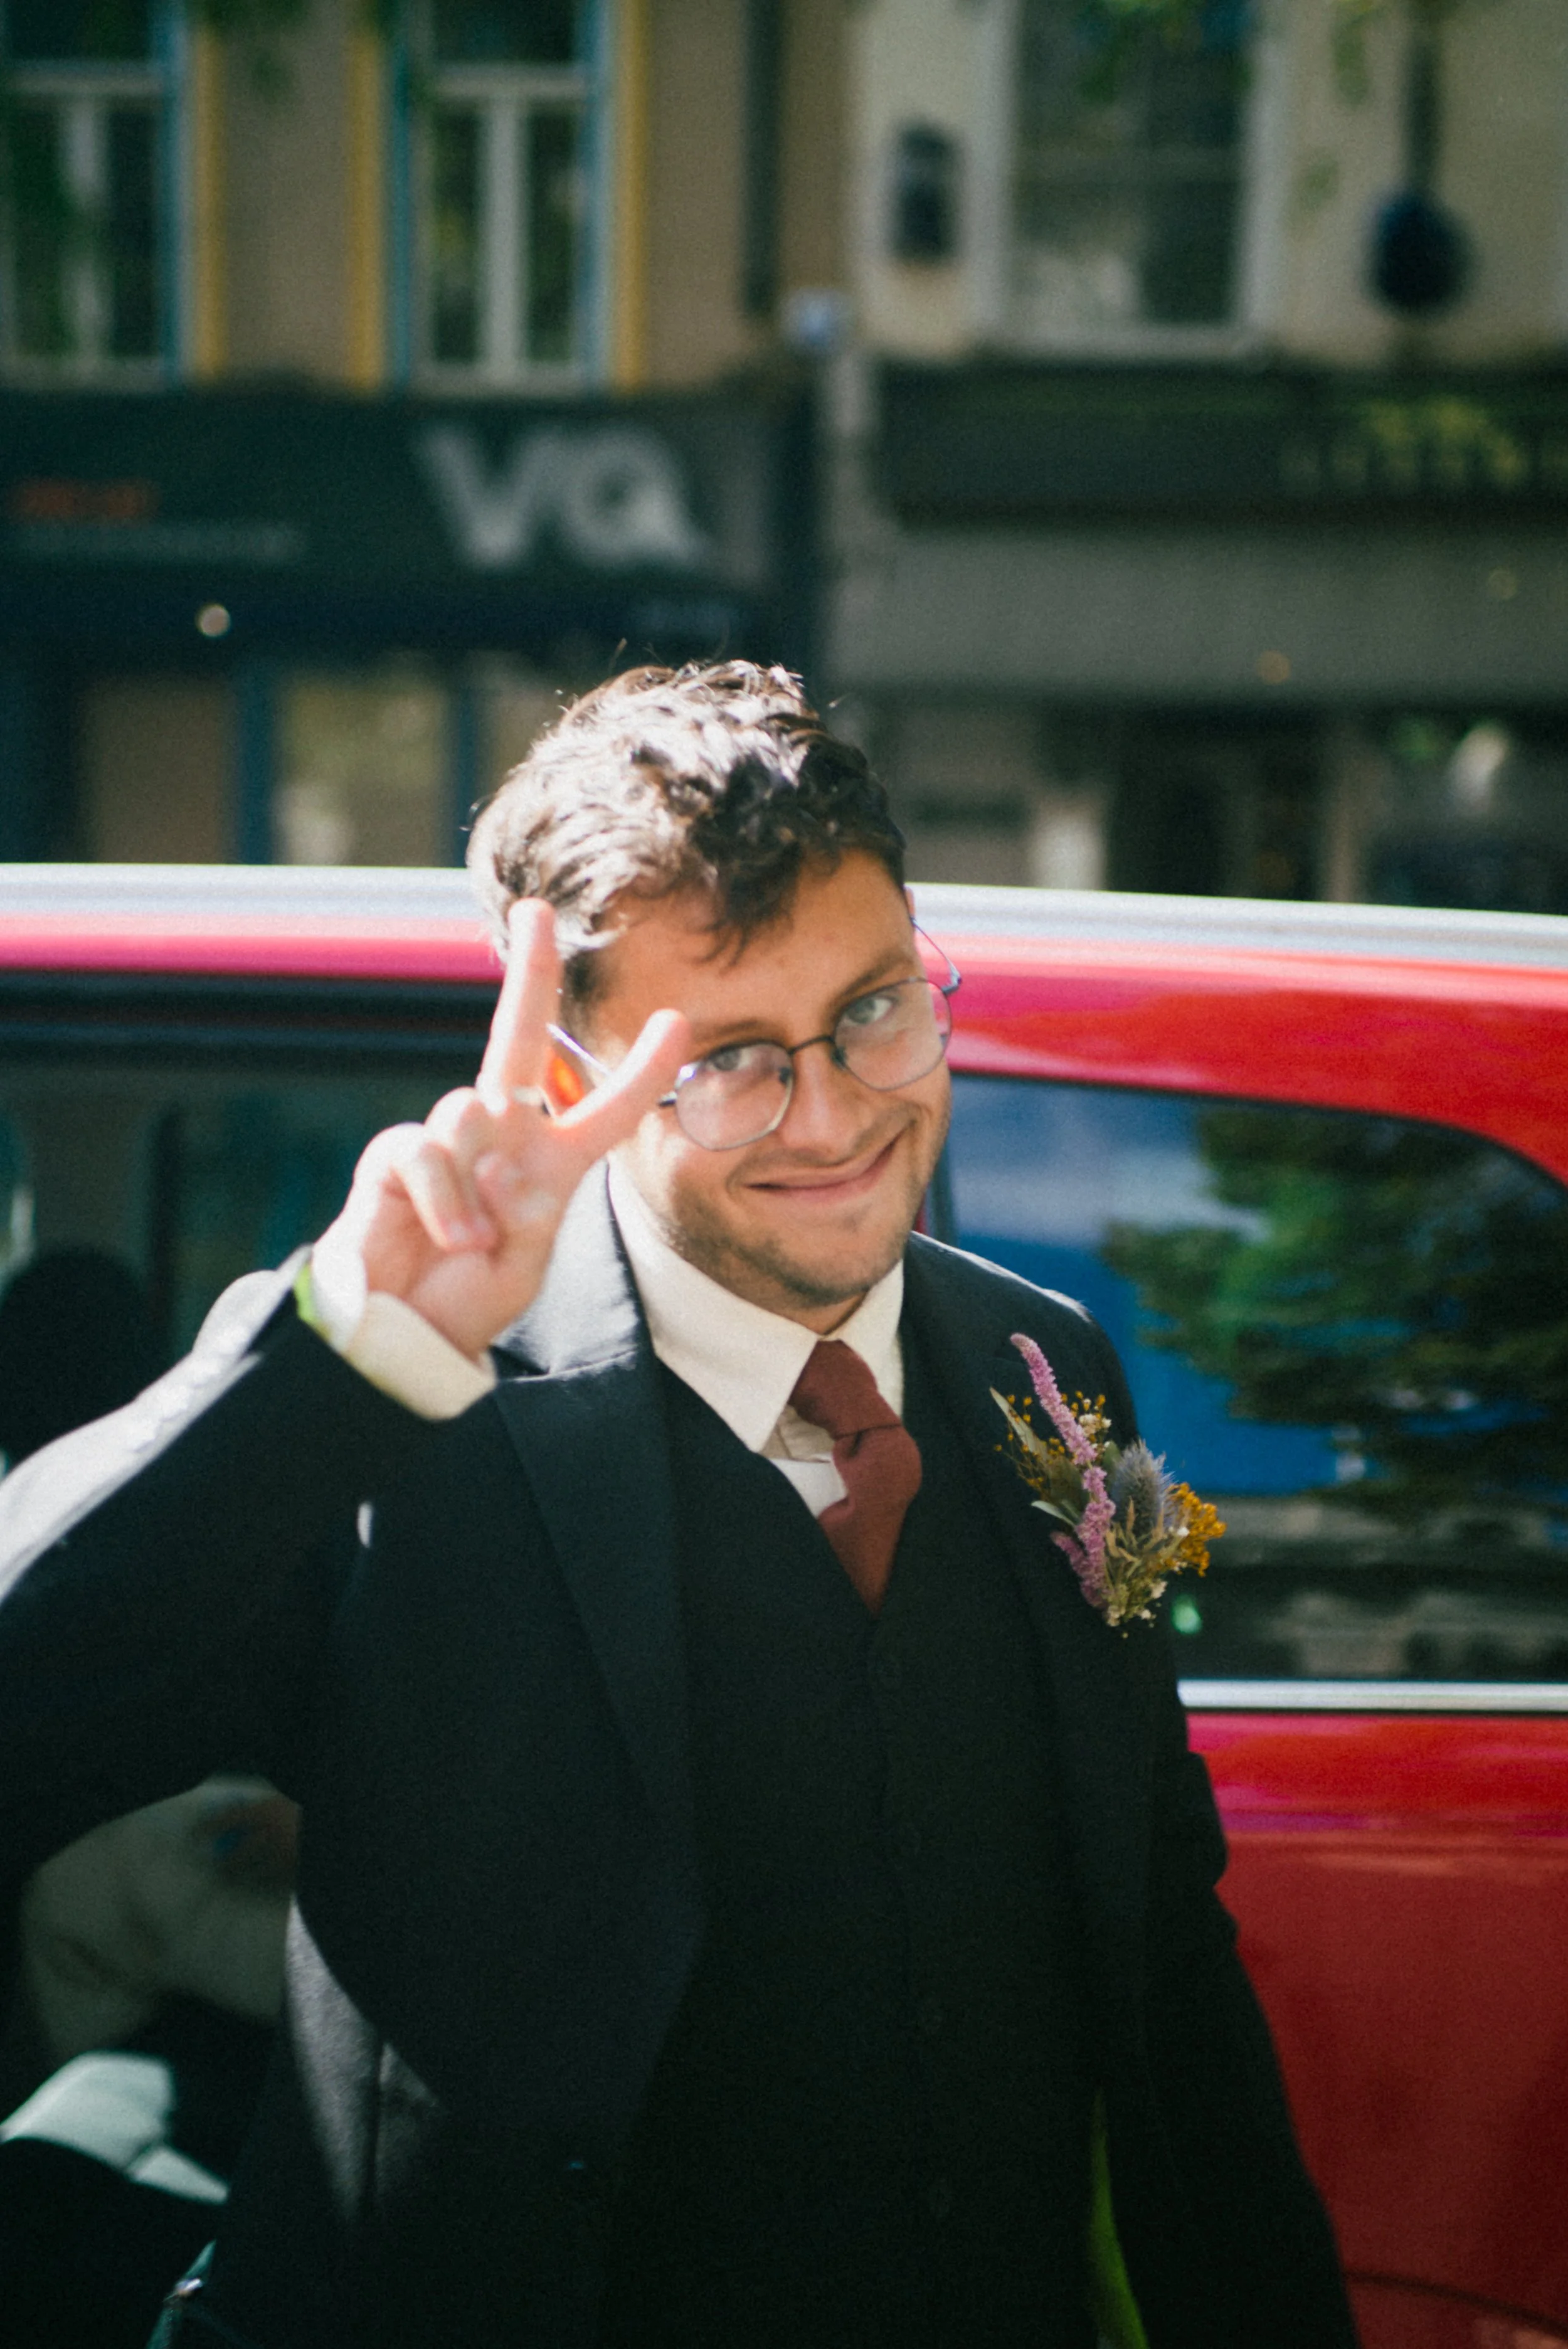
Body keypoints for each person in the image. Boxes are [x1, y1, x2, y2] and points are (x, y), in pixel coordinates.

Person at [0, 663, 1358, 2349]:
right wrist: (346, 1352)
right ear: (571, 1080)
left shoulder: (1052, 1366)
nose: (838, 1111)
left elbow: (1156, 1906)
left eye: (873, 1007)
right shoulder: (405, 1402)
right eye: (725, 1061)